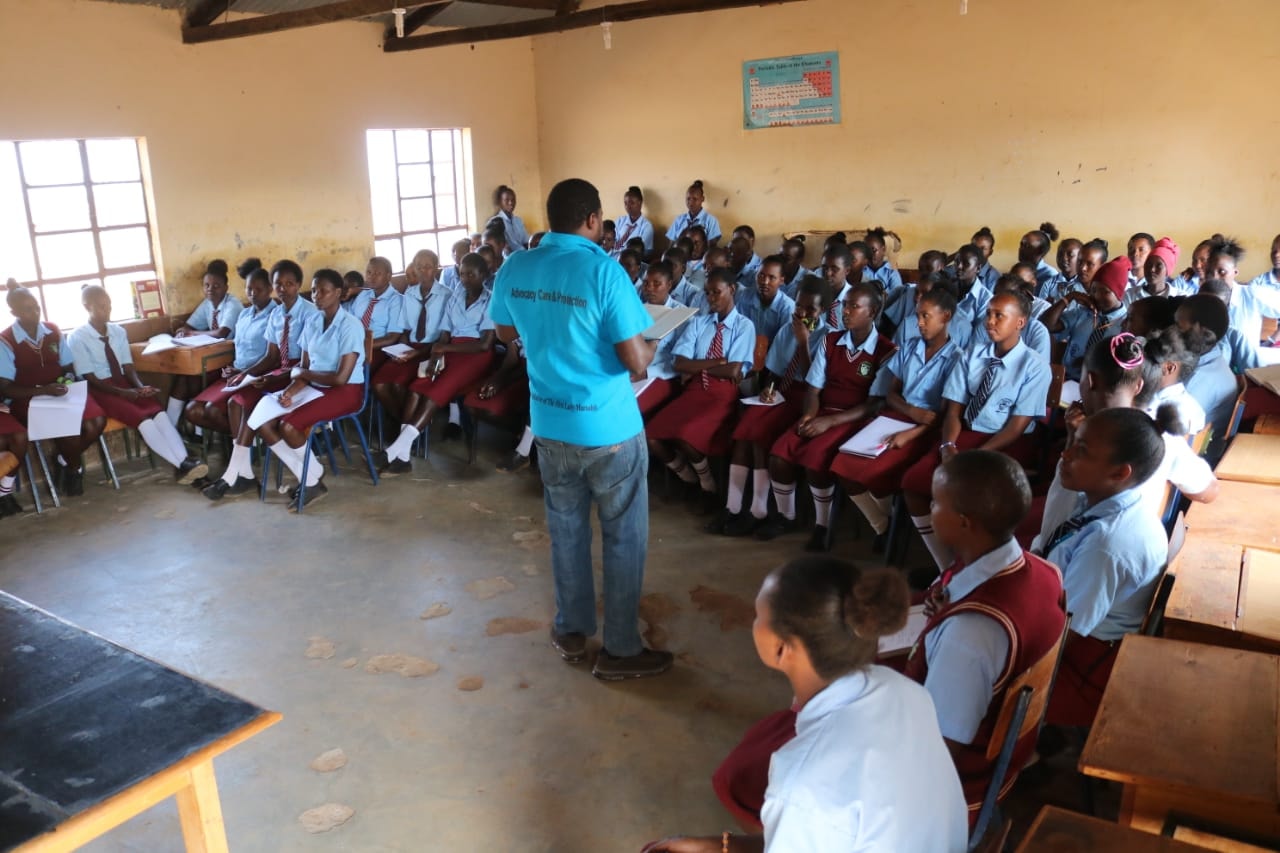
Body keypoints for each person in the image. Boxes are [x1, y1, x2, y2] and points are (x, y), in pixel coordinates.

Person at [649, 559, 967, 853]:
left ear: (782, 647)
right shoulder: (903, 690)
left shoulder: (801, 783)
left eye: (758, 616)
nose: (752, 621)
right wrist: (721, 846)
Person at [490, 177, 671, 681]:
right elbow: (636, 363)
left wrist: (549, 333)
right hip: (608, 430)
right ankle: (621, 650)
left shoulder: (516, 266)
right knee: (623, 537)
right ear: (593, 220)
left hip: (550, 423)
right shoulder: (604, 271)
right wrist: (655, 339)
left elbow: (505, 331)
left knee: (566, 529)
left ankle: (571, 629)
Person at [908, 451, 1066, 823]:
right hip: (999, 748)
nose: (929, 509)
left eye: (936, 503)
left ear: (964, 523)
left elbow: (938, 752)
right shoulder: (1044, 570)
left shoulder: (970, 636)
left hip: (956, 788)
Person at [1038, 407, 1170, 726]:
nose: (1066, 454)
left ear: (1120, 472)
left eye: (1081, 450)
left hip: (1080, 664)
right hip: (1072, 631)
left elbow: (1062, 634)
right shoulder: (1108, 500)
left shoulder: (1107, 545)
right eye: (1073, 442)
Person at [901, 291, 1050, 571]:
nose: (989, 321)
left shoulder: (1035, 366)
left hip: (1006, 443)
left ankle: (970, 564)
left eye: (999, 316)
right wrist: (948, 447)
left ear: (1020, 322)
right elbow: (954, 411)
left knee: (972, 496)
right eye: (989, 314)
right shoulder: (973, 354)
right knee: (914, 482)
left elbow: (1016, 427)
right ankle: (946, 566)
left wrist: (974, 458)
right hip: (964, 435)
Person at [1031, 334, 1218, 551]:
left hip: (1071, 553)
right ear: (1139, 386)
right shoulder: (1159, 433)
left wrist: (1074, 439)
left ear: (1090, 381)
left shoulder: (1091, 437)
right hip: (1111, 548)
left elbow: (1058, 515)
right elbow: (1210, 491)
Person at [760, 283, 895, 552]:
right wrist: (809, 416)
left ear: (872, 312)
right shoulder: (830, 341)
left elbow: (873, 405)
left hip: (854, 419)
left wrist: (829, 422)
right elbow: (813, 389)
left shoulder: (885, 350)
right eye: (845, 305)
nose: (846, 311)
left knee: (815, 460)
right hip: (823, 411)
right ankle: (787, 516)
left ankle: (823, 526)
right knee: (779, 454)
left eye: (854, 306)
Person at [834, 287, 961, 539]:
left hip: (925, 430)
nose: (919, 322)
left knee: (875, 471)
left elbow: (943, 415)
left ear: (946, 317)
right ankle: (883, 525)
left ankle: (891, 529)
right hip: (896, 417)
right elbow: (891, 394)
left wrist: (910, 433)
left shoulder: (956, 358)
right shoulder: (910, 347)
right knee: (842, 464)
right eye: (918, 315)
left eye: (926, 316)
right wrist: (911, 410)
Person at [713, 276, 833, 538]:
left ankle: (759, 510)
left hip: (807, 399)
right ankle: (733, 507)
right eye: (799, 306)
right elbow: (774, 372)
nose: (802, 313)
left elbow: (813, 381)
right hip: (781, 393)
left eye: (810, 309)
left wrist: (803, 341)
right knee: (744, 431)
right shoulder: (787, 329)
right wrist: (768, 390)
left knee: (759, 435)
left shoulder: (828, 337)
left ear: (822, 310)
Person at [245, 269, 365, 511]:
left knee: (289, 426)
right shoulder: (312, 321)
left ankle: (311, 480)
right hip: (315, 386)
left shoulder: (350, 325)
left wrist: (303, 375)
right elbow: (305, 368)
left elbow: (340, 378)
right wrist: (290, 391)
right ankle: (311, 476)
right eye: (313, 291)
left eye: (323, 291)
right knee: (264, 424)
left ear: (338, 293)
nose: (317, 296)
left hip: (346, 391)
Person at [203, 259, 319, 501]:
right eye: (279, 284)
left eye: (289, 283)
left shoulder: (310, 313)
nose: (283, 289)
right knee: (236, 401)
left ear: (299, 284)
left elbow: (308, 363)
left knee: (251, 405)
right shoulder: (276, 314)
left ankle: (232, 475)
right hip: (279, 370)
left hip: (301, 374)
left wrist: (268, 377)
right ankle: (243, 472)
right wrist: (247, 375)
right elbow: (271, 356)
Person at [68, 285, 207, 484]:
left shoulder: (117, 331)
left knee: (158, 413)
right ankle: (184, 466)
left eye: (109, 305)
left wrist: (140, 387)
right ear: (87, 307)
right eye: (101, 306)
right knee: (144, 420)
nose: (107, 310)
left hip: (124, 383)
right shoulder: (77, 337)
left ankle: (186, 465)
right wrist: (123, 393)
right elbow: (89, 377)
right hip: (100, 389)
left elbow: (128, 366)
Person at [647, 269, 755, 511]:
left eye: (716, 292)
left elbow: (733, 371)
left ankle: (708, 486)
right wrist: (717, 362)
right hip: (694, 391)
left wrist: (700, 366)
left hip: (722, 395)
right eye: (707, 293)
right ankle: (688, 478)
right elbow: (679, 363)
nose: (711, 298)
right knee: (651, 437)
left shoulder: (744, 326)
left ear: (732, 290)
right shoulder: (699, 322)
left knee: (685, 435)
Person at [380, 252, 496, 472]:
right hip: (450, 349)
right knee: (418, 385)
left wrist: (444, 349)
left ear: (484, 275)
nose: (465, 279)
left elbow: (484, 345)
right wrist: (435, 356)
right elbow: (444, 333)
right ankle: (403, 456)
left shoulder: (491, 300)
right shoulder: (456, 297)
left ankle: (394, 450)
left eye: (471, 275)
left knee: (438, 388)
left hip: (475, 356)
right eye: (462, 274)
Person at [0, 286, 106, 497]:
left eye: (36, 307)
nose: (35, 313)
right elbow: (6, 388)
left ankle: (63, 459)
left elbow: (67, 367)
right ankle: (74, 470)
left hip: (61, 391)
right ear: (14, 312)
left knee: (97, 422)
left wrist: (67, 380)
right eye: (27, 310)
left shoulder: (53, 331)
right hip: (28, 399)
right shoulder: (6, 341)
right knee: (67, 430)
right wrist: (43, 390)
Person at [183, 259, 276, 441]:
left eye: (259, 289)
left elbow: (273, 358)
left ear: (270, 289)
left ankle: (245, 443)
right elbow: (239, 347)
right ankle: (249, 437)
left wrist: (243, 373)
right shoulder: (245, 314)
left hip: (258, 376)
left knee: (212, 410)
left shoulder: (276, 315)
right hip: (237, 374)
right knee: (192, 411)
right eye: (249, 289)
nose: (253, 294)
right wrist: (232, 368)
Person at [372, 249, 448, 425]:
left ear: (436, 268)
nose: (423, 271)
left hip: (433, 350)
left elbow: (446, 337)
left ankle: (408, 430)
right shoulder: (409, 294)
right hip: (410, 348)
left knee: (398, 386)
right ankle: (406, 427)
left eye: (428, 266)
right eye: (419, 267)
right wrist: (402, 349)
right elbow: (405, 330)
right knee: (379, 385)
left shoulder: (447, 295)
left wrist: (418, 353)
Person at [168, 259, 244, 427]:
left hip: (230, 360)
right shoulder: (207, 304)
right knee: (185, 376)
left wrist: (191, 333)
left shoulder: (232, 304)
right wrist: (182, 330)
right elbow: (190, 325)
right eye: (207, 285)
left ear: (226, 287)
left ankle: (197, 429)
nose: (210, 289)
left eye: (216, 286)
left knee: (193, 376)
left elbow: (221, 333)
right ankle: (171, 427)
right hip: (212, 358)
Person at [1039, 256, 1131, 381]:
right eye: (1094, 290)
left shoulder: (1126, 323)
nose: (1097, 296)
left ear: (1119, 294)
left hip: (1101, 385)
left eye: (1105, 292)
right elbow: (1045, 326)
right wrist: (1069, 297)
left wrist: (1092, 363)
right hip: (1069, 379)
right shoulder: (1082, 313)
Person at [1134, 327, 1207, 436]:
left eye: (1151, 357)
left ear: (1169, 368)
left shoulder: (1181, 415)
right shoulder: (1194, 408)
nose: (1142, 360)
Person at [345, 257, 406, 377]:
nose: (371, 277)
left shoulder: (396, 300)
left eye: (377, 273)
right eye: (369, 272)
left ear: (388, 276)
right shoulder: (363, 295)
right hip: (353, 344)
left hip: (377, 348)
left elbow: (392, 337)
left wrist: (362, 346)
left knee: (350, 370)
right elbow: (349, 321)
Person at [735, 255, 795, 342]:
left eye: (772, 278)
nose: (765, 282)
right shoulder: (744, 296)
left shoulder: (788, 308)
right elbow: (736, 327)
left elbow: (784, 342)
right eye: (761, 275)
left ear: (781, 281)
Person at [665, 179, 722, 246]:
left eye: (695, 199)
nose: (691, 202)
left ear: (702, 199)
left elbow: (712, 247)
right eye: (688, 199)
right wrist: (683, 233)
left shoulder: (711, 221)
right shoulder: (679, 220)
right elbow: (671, 246)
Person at [612, 186, 655, 259]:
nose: (628, 206)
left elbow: (640, 250)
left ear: (640, 203)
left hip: (629, 259)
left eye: (632, 203)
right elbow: (612, 241)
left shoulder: (646, 226)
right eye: (625, 203)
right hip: (612, 257)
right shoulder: (620, 221)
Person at [1017, 221, 1060, 292]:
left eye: (1027, 246)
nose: (1021, 249)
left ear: (1040, 252)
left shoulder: (1050, 275)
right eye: (1021, 244)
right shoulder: (1018, 270)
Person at [863, 226, 903, 298]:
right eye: (867, 250)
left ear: (883, 250)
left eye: (874, 250)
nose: (870, 254)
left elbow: (898, 298)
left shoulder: (891, 274)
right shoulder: (861, 272)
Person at [488, 184, 528, 255]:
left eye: (513, 200)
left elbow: (525, 241)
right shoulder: (495, 221)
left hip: (522, 255)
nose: (511, 203)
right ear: (500, 202)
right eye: (507, 200)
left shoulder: (518, 220)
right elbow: (502, 248)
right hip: (507, 258)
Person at [970, 226, 999, 291]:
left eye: (983, 248)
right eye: (974, 247)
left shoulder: (994, 277)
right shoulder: (960, 269)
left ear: (990, 252)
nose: (977, 251)